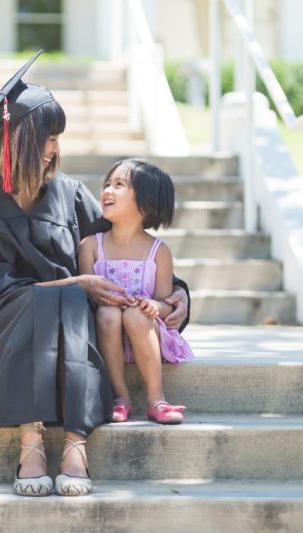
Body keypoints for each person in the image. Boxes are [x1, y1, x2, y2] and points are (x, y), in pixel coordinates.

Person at [0, 51, 190, 497]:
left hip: (69, 324)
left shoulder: (66, 193)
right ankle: (31, 441)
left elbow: (119, 244)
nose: (55, 148)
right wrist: (68, 286)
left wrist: (176, 293)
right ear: (20, 139)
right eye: (48, 137)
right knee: (57, 302)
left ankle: (75, 444)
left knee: (67, 306)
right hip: (0, 323)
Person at [79, 159, 194, 425]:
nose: (107, 190)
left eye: (119, 185)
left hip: (144, 332)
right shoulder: (91, 247)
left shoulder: (158, 252)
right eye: (107, 184)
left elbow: (166, 304)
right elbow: (87, 299)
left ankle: (157, 399)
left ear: (146, 201)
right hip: (107, 332)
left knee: (135, 313)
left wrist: (153, 306)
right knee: (108, 312)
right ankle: (120, 398)